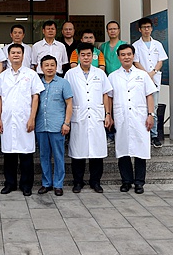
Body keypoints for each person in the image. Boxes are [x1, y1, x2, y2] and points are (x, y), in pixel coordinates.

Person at [107, 44, 158, 194]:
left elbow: (149, 95)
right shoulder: (113, 76)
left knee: (140, 150)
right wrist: (109, 115)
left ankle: (139, 182)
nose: (126, 57)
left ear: (133, 56)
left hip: (140, 117)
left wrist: (150, 114)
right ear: (118, 57)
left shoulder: (142, 75)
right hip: (121, 117)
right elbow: (109, 98)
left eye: (129, 54)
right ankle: (126, 181)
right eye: (123, 55)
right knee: (123, 150)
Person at [0, 43, 44, 196]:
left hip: (25, 120)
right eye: (13, 53)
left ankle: (26, 185)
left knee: (26, 155)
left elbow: (35, 97)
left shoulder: (31, 74)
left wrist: (32, 118)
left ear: (23, 56)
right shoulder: (3, 76)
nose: (16, 55)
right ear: (8, 56)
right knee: (9, 155)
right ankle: (10, 184)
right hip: (8, 120)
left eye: (18, 53)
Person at [65, 42, 113, 194]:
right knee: (77, 152)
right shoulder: (70, 74)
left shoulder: (100, 73)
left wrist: (108, 114)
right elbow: (66, 97)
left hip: (97, 116)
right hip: (78, 116)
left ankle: (95, 182)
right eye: (83, 55)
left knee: (97, 152)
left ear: (93, 56)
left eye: (88, 55)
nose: (86, 57)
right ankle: (78, 182)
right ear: (78, 56)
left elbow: (106, 94)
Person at [36, 55, 73, 196]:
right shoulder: (37, 83)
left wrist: (66, 123)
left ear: (57, 66)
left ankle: (58, 184)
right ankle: (46, 183)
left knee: (58, 156)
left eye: (52, 65)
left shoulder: (63, 83)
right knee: (43, 155)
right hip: (41, 125)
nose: (49, 68)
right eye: (46, 65)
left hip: (58, 126)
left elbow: (69, 104)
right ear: (41, 67)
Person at [132, 17, 168, 148]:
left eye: (148, 27)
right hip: (141, 78)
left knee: (154, 107)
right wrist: (146, 75)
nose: (146, 30)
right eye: (144, 27)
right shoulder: (136, 45)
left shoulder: (157, 44)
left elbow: (160, 61)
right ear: (140, 30)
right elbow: (136, 62)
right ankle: (142, 134)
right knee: (141, 106)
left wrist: (152, 73)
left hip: (154, 78)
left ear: (151, 29)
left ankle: (154, 135)